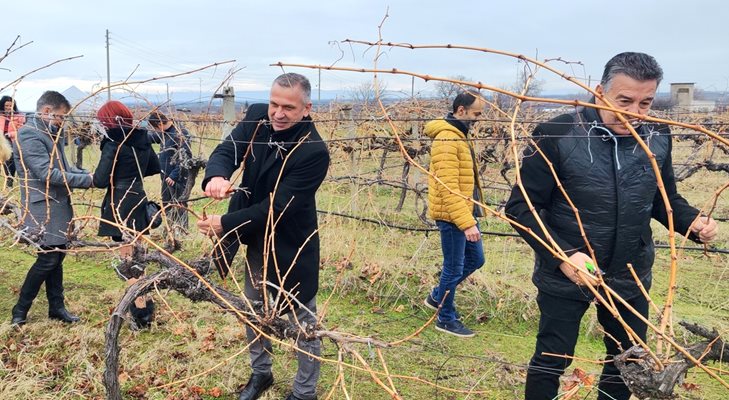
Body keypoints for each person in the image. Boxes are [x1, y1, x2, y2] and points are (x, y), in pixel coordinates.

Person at [505, 52, 719, 400]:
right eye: (624, 100)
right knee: (551, 358)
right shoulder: (556, 133)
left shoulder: (657, 136)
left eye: (645, 103)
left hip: (629, 272)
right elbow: (520, 208)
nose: (634, 113)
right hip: (568, 272)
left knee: (627, 361)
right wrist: (564, 256)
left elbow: (662, 201)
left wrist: (692, 222)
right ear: (599, 90)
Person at [198, 73, 330, 400]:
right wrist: (217, 175)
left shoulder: (313, 150)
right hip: (254, 239)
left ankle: (304, 392)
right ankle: (261, 374)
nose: (278, 113)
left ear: (307, 108)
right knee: (253, 310)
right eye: (274, 104)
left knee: (304, 322)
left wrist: (225, 223)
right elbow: (228, 149)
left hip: (291, 245)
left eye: (289, 107)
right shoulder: (258, 117)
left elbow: (277, 208)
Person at [10, 91, 93, 326]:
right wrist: (87, 181)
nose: (62, 121)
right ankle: (20, 310)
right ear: (47, 111)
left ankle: (56, 307)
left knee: (57, 257)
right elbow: (46, 174)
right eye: (60, 116)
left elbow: (65, 168)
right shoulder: (29, 134)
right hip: (42, 207)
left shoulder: (51, 133)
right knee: (47, 259)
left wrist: (90, 175)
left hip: (58, 205)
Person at [422, 91, 487, 338]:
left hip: (462, 212)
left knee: (476, 259)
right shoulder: (448, 139)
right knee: (453, 267)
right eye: (476, 114)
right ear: (461, 110)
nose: (479, 119)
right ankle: (445, 318)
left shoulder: (458, 135)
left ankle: (438, 296)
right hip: (452, 215)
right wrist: (466, 223)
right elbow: (448, 187)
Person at [94, 100, 161, 329]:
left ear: (108, 122)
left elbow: (100, 180)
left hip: (120, 204)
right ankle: (146, 305)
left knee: (128, 261)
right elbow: (154, 167)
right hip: (138, 199)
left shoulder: (113, 143)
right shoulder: (141, 138)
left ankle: (140, 312)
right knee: (138, 257)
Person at [147, 111, 192, 231]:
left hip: (177, 177)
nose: (156, 131)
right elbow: (151, 137)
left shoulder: (180, 133)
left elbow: (185, 157)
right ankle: (170, 230)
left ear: (160, 124)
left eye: (155, 128)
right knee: (167, 204)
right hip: (166, 177)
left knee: (179, 204)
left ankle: (182, 230)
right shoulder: (165, 133)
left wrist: (174, 175)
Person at [1, 95, 26, 187]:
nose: (8, 108)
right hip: (1, 140)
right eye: (6, 106)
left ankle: (9, 182)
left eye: (10, 106)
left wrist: (10, 134)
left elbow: (21, 131)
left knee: (11, 161)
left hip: (12, 141)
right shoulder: (0, 115)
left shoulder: (19, 116)